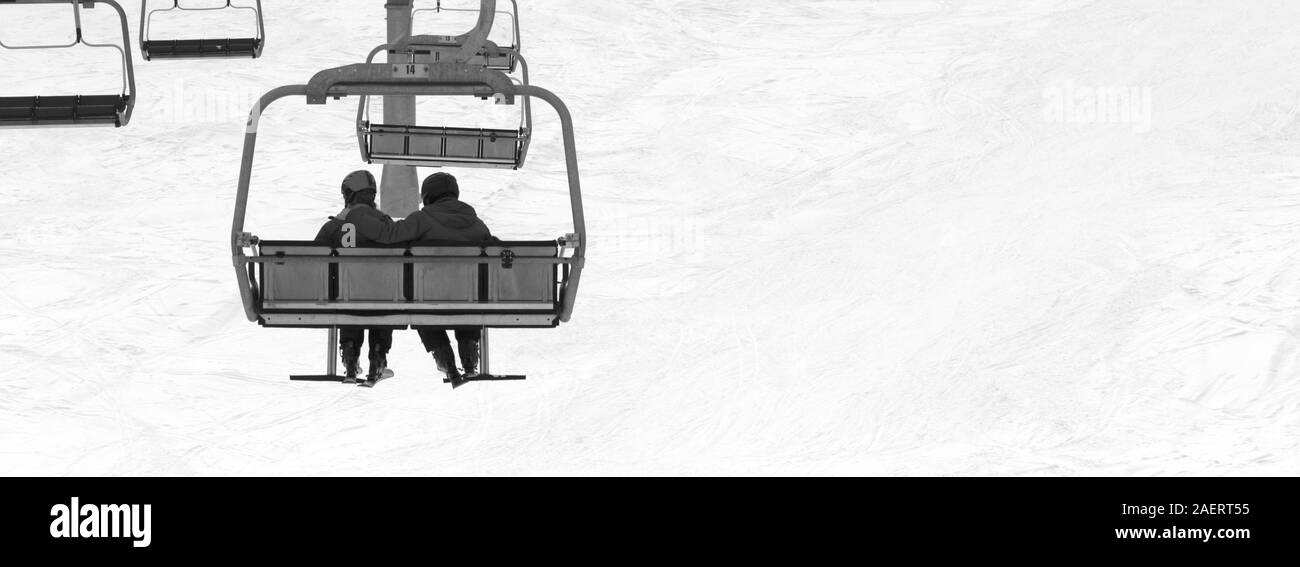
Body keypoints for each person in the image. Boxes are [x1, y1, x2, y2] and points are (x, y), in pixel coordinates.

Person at [350, 172, 496, 387]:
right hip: (469, 297)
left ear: (428, 196)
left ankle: (445, 358)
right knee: (469, 300)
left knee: (420, 307)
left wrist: (358, 215)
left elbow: (388, 235)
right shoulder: (477, 223)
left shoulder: (423, 219)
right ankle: (469, 354)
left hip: (430, 296)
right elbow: (496, 249)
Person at [314, 170, 396, 385]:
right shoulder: (387, 227)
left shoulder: (334, 227)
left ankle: (350, 352)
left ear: (348, 195)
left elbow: (313, 258)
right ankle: (378, 354)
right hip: (382, 297)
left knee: (346, 293)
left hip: (346, 297)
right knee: (382, 297)